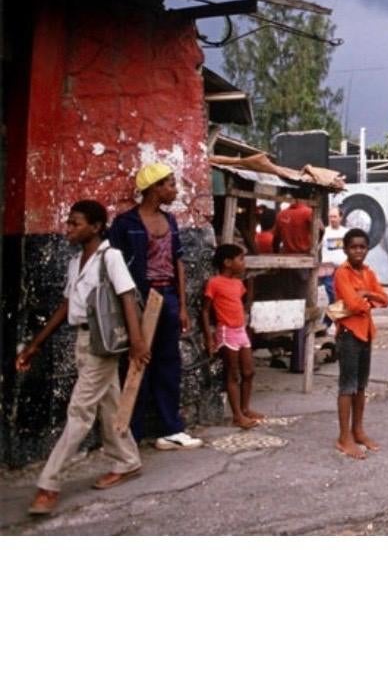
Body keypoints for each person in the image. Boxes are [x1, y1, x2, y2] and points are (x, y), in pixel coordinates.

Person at [16, 200, 150, 516]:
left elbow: (127, 296)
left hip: (102, 344)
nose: (69, 229)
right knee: (109, 404)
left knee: (79, 411)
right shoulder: (76, 262)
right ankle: (128, 460)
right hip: (83, 340)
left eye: (75, 223)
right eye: (69, 223)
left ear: (96, 226)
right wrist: (36, 344)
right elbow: (65, 307)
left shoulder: (111, 257)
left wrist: (137, 341)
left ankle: (48, 485)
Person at [109, 164, 203, 448]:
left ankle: (170, 429)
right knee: (138, 362)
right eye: (170, 184)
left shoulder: (170, 221)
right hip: (139, 298)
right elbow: (114, 268)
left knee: (169, 362)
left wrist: (183, 305)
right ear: (154, 189)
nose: (174, 189)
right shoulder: (125, 224)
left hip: (168, 297)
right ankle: (131, 433)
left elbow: (178, 263)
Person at [333, 227, 388, 456]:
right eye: (354, 247)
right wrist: (367, 297)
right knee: (347, 386)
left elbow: (385, 299)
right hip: (348, 333)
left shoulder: (368, 272)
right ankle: (343, 437)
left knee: (361, 385)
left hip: (365, 332)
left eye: (362, 247)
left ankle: (358, 430)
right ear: (346, 249)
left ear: (367, 249)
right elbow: (353, 304)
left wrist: (366, 294)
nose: (358, 251)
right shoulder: (341, 273)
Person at [201, 242, 263, 430]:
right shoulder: (214, 282)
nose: (243, 262)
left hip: (240, 331)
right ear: (227, 262)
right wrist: (209, 337)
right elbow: (205, 311)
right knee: (233, 373)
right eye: (240, 259)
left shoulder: (238, 283)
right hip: (226, 332)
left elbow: (240, 303)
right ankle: (237, 415)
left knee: (249, 371)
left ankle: (245, 408)